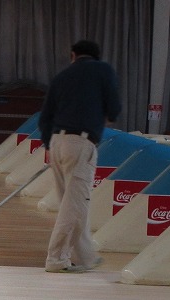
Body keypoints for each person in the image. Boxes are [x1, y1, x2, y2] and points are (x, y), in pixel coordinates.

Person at [39, 40, 122, 273]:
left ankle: (84, 256)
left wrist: (49, 145)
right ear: (96, 56)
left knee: (72, 203)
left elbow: (45, 117)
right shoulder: (103, 70)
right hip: (80, 142)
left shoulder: (62, 76)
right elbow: (114, 109)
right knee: (75, 205)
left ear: (73, 55)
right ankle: (56, 259)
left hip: (56, 142)